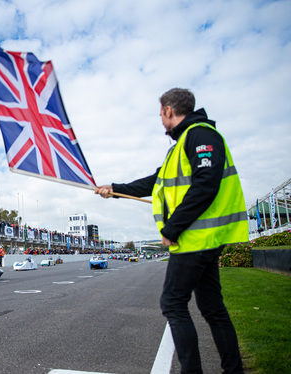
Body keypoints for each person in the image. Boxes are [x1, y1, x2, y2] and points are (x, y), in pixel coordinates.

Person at [95, 88, 247, 374]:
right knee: (212, 307)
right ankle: (233, 369)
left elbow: (206, 184)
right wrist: (114, 190)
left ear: (168, 110)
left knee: (173, 303)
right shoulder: (180, 146)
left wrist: (173, 228)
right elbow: (153, 182)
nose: (161, 120)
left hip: (194, 240)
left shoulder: (201, 135)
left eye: (160, 114)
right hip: (202, 239)